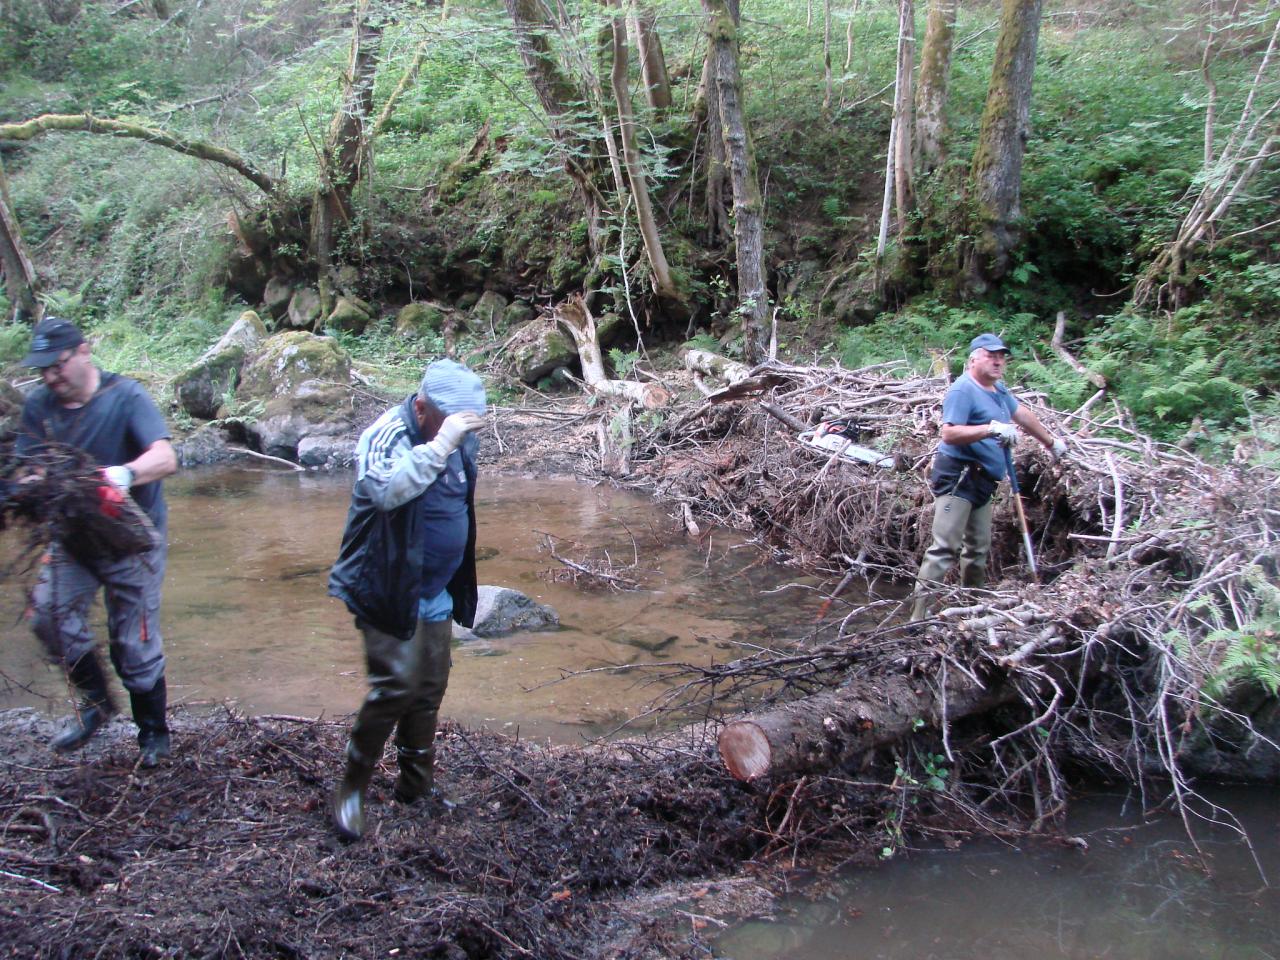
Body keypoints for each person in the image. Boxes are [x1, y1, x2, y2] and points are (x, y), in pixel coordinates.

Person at [327, 358, 487, 841]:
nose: (465, 428)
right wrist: (441, 444)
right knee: (394, 687)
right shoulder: (386, 434)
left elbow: (456, 502)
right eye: (453, 419)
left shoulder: (460, 437)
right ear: (422, 408)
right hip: (383, 583)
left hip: (435, 585)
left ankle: (416, 787)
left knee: (427, 690)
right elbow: (389, 492)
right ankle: (350, 792)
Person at [16, 317, 179, 765]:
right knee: (46, 614)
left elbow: (165, 457)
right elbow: (25, 469)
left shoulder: (125, 396)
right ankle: (96, 703)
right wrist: (35, 483)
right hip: (73, 537)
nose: (51, 376)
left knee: (133, 641)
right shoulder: (38, 409)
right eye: (43, 369)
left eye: (58, 364)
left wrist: (123, 474)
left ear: (84, 352)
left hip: (133, 539)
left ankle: (153, 734)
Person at [910, 333, 1068, 620]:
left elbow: (1021, 415)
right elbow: (948, 432)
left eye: (1001, 356)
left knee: (978, 549)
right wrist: (991, 429)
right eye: (990, 355)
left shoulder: (998, 390)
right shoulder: (963, 390)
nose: (998, 361)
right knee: (944, 548)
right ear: (973, 359)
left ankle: (972, 613)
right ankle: (917, 620)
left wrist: (1051, 442)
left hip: (984, 481)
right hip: (959, 477)